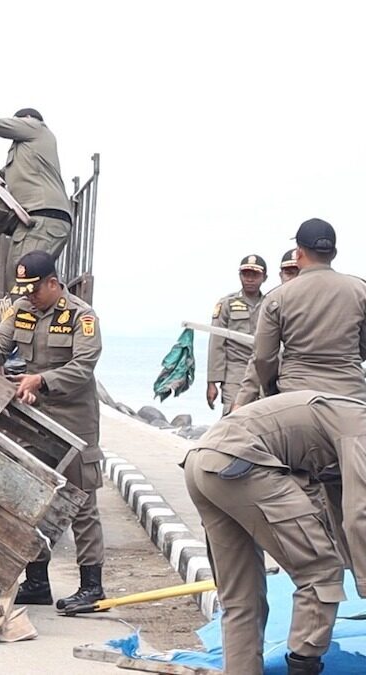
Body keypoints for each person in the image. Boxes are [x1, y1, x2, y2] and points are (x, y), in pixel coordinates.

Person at [182, 391, 366, 675]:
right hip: (240, 462)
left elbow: (343, 513)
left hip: (203, 462)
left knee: (242, 598)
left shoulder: (347, 419)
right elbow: (358, 516)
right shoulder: (361, 428)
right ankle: (303, 666)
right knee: (321, 570)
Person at [0, 250, 106, 611]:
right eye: (25, 291)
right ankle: (36, 582)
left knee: (82, 501)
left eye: (35, 290)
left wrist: (41, 380)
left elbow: (83, 367)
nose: (29, 297)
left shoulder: (81, 316)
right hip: (34, 417)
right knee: (31, 498)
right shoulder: (21, 309)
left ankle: (92, 586)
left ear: (53, 283)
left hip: (75, 419)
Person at [253, 218, 366, 400]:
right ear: (334, 253)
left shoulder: (277, 297)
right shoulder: (360, 291)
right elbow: (363, 346)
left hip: (295, 394)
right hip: (350, 395)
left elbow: (263, 357)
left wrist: (271, 390)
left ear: (298, 253)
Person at [0, 109, 72, 271]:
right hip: (44, 220)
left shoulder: (37, 127)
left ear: (27, 119)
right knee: (33, 279)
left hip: (42, 218)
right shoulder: (26, 154)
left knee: (20, 277)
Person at [231, 249, 302, 411]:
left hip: (306, 386)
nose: (293, 279)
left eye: (297, 273)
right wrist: (242, 400)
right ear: (281, 275)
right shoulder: (273, 305)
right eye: (288, 273)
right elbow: (261, 355)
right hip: (277, 385)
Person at [206, 255, 266, 415]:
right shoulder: (227, 304)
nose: (250, 279)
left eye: (255, 275)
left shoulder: (270, 304)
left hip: (262, 372)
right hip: (235, 372)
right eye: (245, 274)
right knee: (232, 416)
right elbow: (216, 342)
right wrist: (212, 381)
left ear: (264, 277)